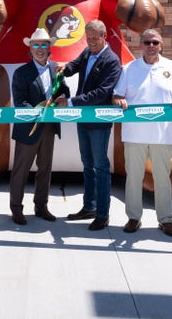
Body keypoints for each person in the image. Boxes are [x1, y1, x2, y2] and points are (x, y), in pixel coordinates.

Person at [112, 29, 172, 236]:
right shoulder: (129, 68)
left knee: (162, 178)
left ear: (161, 44)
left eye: (155, 42)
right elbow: (117, 95)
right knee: (134, 178)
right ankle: (133, 218)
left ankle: (165, 219)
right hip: (134, 134)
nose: (151, 46)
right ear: (141, 45)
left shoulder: (171, 67)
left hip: (162, 134)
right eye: (147, 42)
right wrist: (119, 100)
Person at [55, 19, 122, 231]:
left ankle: (102, 214)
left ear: (104, 37)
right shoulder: (87, 52)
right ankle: (89, 206)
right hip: (83, 119)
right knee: (87, 164)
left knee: (101, 166)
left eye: (95, 38)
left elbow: (102, 93)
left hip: (99, 122)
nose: (91, 42)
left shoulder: (112, 61)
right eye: (89, 38)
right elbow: (74, 66)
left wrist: (71, 102)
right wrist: (62, 68)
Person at [9, 28, 69, 226]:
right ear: (30, 49)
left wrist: (63, 98)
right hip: (28, 128)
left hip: (49, 128)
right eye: (36, 45)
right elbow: (19, 102)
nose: (40, 48)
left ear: (49, 47)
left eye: (44, 44)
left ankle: (41, 206)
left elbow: (64, 90)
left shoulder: (56, 69)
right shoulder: (21, 72)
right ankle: (16, 208)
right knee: (21, 170)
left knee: (45, 169)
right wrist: (38, 110)